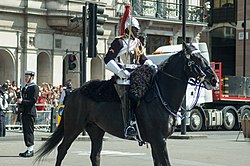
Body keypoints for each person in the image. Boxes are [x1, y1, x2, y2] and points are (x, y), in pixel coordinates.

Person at [103, 16, 157, 138]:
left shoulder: (137, 43)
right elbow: (108, 59)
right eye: (135, 29)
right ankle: (129, 125)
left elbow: (142, 58)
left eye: (137, 30)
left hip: (137, 75)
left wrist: (151, 64)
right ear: (129, 28)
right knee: (128, 95)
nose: (137, 32)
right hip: (123, 75)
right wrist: (120, 71)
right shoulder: (119, 42)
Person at [17, 70, 39, 157]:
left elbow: (33, 100)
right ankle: (28, 148)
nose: (26, 78)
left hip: (30, 112)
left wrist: (23, 101)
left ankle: (30, 149)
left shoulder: (34, 87)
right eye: (25, 76)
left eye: (27, 77)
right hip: (25, 111)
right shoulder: (25, 87)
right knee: (25, 131)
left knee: (29, 131)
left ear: (32, 77)